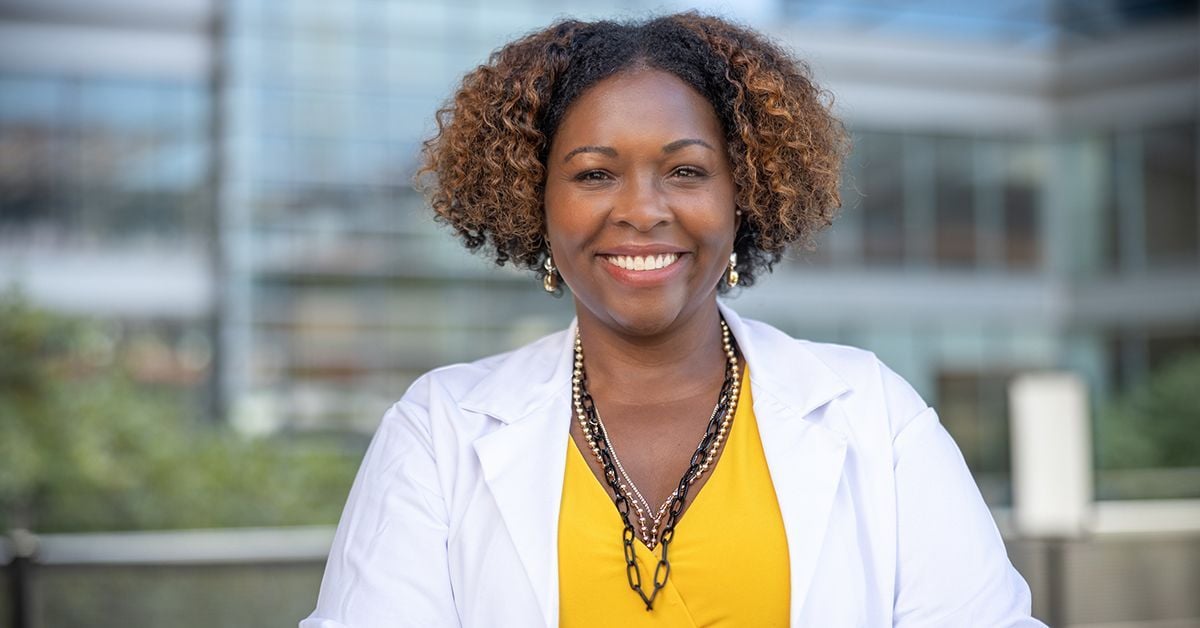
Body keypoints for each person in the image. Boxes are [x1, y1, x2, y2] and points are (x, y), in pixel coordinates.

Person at [301, 12, 1044, 628]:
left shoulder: (874, 417)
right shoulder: (439, 431)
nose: (642, 210)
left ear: (742, 192)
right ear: (536, 202)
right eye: (595, 173)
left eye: (686, 171)